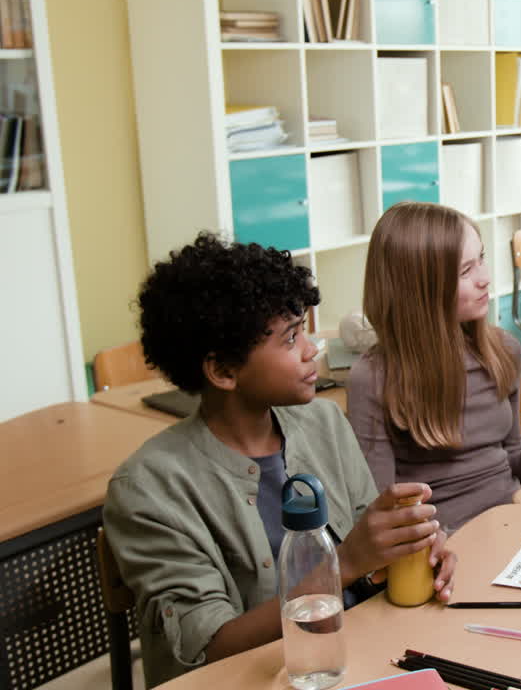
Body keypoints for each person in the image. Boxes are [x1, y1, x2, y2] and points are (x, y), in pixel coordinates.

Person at [104, 233, 457, 687]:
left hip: (356, 659)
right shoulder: (149, 488)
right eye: (291, 339)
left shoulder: (324, 421)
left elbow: (371, 557)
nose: (313, 350)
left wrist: (412, 550)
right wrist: (346, 563)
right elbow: (209, 648)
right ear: (224, 371)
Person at [347, 202, 521, 535]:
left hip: (512, 522)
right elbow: (381, 515)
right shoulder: (372, 379)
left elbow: (511, 467)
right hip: (440, 548)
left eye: (482, 259)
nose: (485, 278)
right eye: (465, 271)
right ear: (420, 290)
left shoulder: (503, 350)